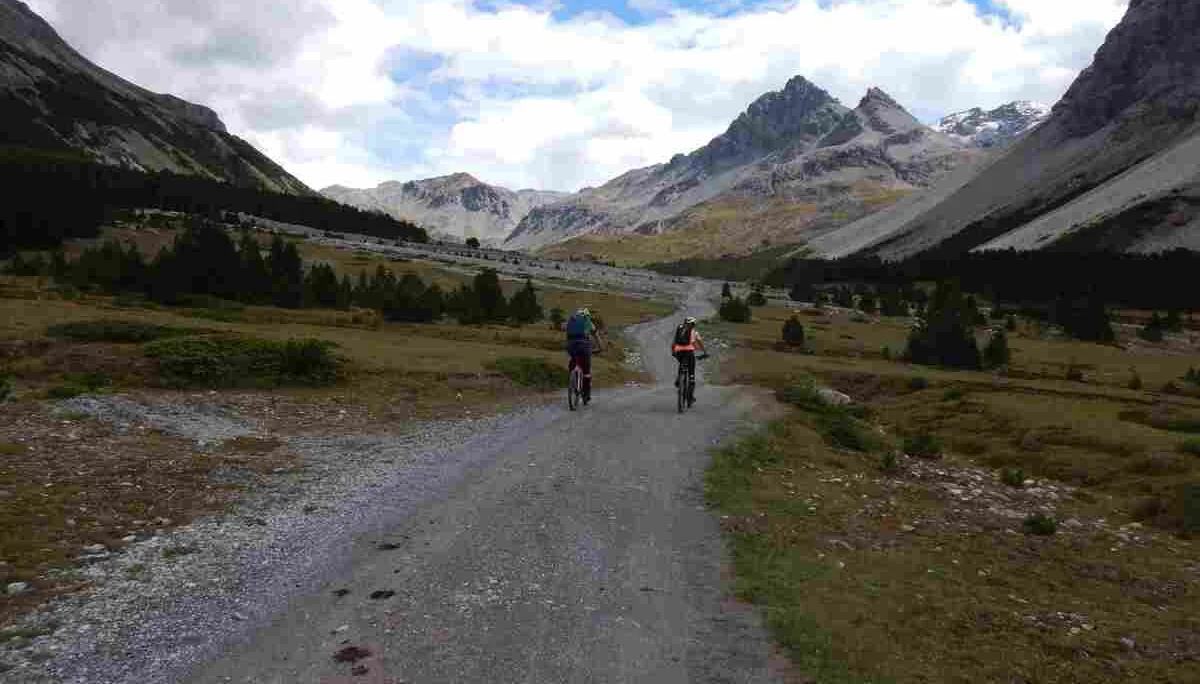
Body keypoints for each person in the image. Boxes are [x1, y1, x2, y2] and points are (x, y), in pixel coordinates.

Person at [565, 308, 601, 403]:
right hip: (584, 347)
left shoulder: (571, 320)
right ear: (586, 315)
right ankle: (586, 395)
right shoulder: (587, 321)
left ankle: (572, 379)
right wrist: (600, 348)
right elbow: (596, 335)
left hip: (571, 346)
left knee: (573, 361)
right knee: (586, 372)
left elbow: (567, 335)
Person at [671, 316, 707, 404]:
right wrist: (704, 351)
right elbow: (699, 343)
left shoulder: (679, 329)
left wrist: (673, 352)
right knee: (691, 372)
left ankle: (679, 379)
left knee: (682, 363)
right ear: (693, 324)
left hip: (678, 351)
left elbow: (674, 342)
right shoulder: (694, 332)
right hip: (689, 352)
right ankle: (690, 397)